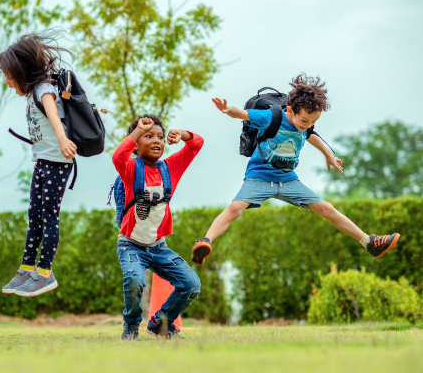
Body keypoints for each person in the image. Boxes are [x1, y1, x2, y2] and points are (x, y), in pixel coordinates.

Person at [191, 74, 400, 266]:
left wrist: (328, 154)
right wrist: (229, 111)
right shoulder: (270, 117)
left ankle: (369, 242)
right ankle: (205, 241)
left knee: (326, 208)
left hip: (289, 180)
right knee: (234, 209)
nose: (307, 125)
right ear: (290, 110)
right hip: (259, 177)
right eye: (304, 120)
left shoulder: (306, 125)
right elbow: (243, 114)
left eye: (313, 121)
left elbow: (311, 136)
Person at [0, 31, 77, 297]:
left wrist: (63, 140)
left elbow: (52, 112)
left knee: (49, 217)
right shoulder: (31, 93)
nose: (7, 82)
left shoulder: (43, 89)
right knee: (35, 217)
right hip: (43, 162)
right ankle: (27, 268)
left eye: (8, 76)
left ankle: (44, 273)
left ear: (22, 72)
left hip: (56, 162)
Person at [113, 115, 203, 340]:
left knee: (191, 284)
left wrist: (181, 135)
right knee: (134, 281)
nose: (156, 141)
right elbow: (118, 156)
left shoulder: (170, 167)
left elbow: (197, 144)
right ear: (136, 143)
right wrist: (135, 133)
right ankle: (132, 325)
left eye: (160, 137)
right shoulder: (131, 168)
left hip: (158, 248)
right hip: (131, 246)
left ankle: (160, 323)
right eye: (148, 136)